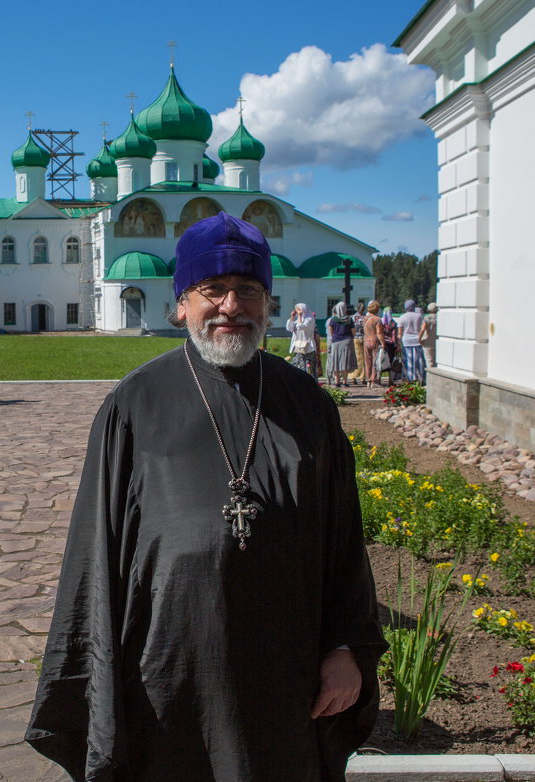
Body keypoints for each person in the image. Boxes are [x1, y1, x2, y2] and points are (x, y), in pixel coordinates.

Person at [26, 212, 385, 782]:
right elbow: (95, 553)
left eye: (247, 291)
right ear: (182, 304)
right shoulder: (134, 405)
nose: (230, 306)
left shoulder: (307, 404)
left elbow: (344, 540)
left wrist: (344, 648)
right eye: (211, 290)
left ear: (267, 303)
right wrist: (97, 677)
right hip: (166, 670)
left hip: (285, 673)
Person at [326, 301, 357, 387]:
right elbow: (353, 331)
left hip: (336, 342)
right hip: (347, 341)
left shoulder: (333, 319)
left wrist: (336, 335)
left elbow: (331, 330)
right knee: (345, 361)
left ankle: (337, 381)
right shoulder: (349, 319)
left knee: (336, 361)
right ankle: (345, 381)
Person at [285, 302, 316, 376]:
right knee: (297, 365)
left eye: (299, 309)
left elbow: (301, 326)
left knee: (307, 367)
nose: (297, 312)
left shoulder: (309, 319)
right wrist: (292, 317)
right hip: (298, 346)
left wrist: (299, 316)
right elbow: (289, 328)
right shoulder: (297, 320)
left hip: (308, 347)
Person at [397, 299, 424, 383]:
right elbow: (422, 328)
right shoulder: (419, 316)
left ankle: (409, 378)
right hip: (417, 339)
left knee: (408, 360)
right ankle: (419, 378)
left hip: (406, 341)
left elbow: (400, 333)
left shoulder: (402, 317)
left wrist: (398, 343)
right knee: (418, 360)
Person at [362, 301, 383, 389]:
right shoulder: (377, 319)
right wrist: (383, 342)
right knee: (375, 361)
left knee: (367, 361)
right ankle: (374, 380)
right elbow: (379, 332)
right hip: (374, 340)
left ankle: (368, 380)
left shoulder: (365, 318)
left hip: (366, 340)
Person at [420, 302, 438, 369]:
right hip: (437, 341)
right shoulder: (440, 317)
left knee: (430, 362)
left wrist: (419, 339)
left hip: (428, 342)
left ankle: (431, 378)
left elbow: (423, 329)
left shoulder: (427, 318)